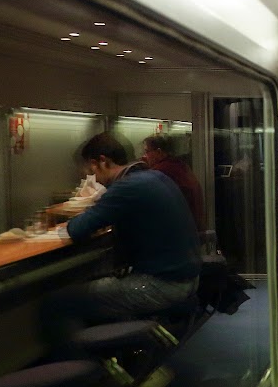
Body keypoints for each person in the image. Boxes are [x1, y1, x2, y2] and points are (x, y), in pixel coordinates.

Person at [47, 133, 201, 343]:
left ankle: (81, 361)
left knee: (58, 303)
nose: (92, 178)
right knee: (94, 289)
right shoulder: (155, 177)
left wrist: (90, 207)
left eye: (90, 171)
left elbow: (77, 229)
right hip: (187, 278)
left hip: (162, 285)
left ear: (102, 161)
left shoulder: (126, 188)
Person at [143, 134, 206, 231]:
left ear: (158, 152)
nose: (144, 156)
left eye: (147, 151)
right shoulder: (180, 166)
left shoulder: (160, 172)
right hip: (192, 229)